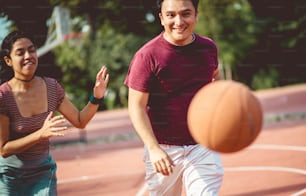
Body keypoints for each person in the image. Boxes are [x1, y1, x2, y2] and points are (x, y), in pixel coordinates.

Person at [124, 0, 223, 195]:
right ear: (161, 18)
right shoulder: (147, 56)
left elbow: (215, 77)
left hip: (202, 145)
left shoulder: (208, 48)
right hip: (164, 149)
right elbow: (136, 106)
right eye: (171, 15)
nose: (178, 21)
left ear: (196, 15)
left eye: (186, 14)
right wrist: (153, 148)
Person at [0, 30, 109, 195]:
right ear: (8, 60)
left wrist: (96, 96)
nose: (28, 55)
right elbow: (4, 149)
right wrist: (40, 134)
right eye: (20, 53)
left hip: (43, 173)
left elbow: (80, 121)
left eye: (32, 50)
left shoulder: (52, 87)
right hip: (8, 176)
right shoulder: (3, 95)